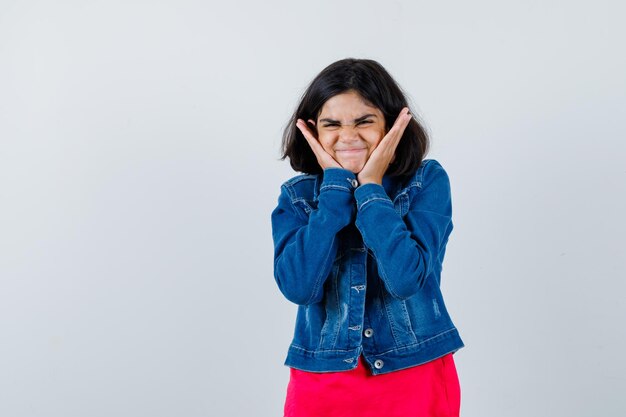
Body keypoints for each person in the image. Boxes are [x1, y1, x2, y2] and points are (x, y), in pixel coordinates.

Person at [270, 58, 465, 417]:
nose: (348, 136)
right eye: (332, 124)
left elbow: (406, 279)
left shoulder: (426, 182)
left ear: (391, 125)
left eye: (364, 122)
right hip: (323, 382)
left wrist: (371, 189)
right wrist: (334, 192)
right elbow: (299, 288)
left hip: (414, 374)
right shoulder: (297, 197)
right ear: (312, 130)